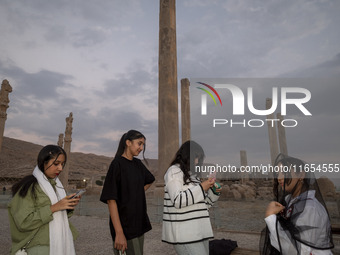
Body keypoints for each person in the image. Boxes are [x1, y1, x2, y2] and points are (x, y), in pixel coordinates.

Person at [8, 145, 80, 255]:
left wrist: (68, 205)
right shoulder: (29, 187)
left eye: (62, 164)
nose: (60, 168)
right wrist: (54, 208)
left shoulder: (56, 186)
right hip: (38, 247)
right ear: (43, 162)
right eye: (56, 164)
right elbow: (23, 222)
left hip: (59, 244)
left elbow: (58, 216)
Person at [261, 154, 334, 255]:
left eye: (285, 172)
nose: (279, 178)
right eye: (278, 173)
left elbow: (297, 251)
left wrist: (271, 218)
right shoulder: (291, 201)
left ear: (301, 175)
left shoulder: (310, 208)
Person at [100, 130, 155, 255]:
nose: (141, 148)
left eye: (143, 145)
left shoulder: (138, 164)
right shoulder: (117, 164)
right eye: (139, 143)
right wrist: (119, 233)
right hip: (125, 226)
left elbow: (150, 179)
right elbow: (111, 200)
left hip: (139, 223)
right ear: (128, 142)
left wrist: (136, 193)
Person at [162, 140, 222, 255]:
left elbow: (203, 206)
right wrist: (201, 187)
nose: (196, 161)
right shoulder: (174, 171)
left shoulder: (193, 176)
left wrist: (214, 193)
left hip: (199, 231)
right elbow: (178, 200)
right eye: (195, 157)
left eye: (199, 158)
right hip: (184, 234)